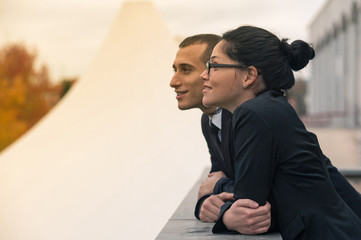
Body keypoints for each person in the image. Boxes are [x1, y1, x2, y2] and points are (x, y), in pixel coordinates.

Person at [201, 25, 361, 239]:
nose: (205, 74)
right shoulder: (270, 107)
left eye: (215, 65)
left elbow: (250, 208)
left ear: (249, 75)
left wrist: (220, 197)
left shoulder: (254, 113)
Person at [170, 34, 272, 235]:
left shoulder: (246, 118)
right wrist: (206, 203)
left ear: (211, 72)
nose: (173, 81)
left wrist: (217, 187)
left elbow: (254, 196)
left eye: (186, 70)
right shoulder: (208, 122)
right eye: (175, 70)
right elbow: (212, 188)